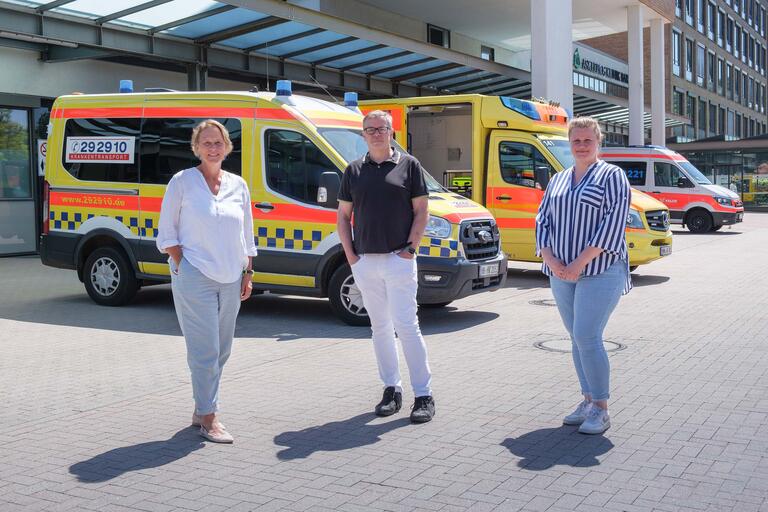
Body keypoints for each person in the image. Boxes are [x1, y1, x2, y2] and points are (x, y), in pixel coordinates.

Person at [157, 119, 258, 443]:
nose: (213, 148)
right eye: (207, 143)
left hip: (231, 277)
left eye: (218, 143)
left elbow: (246, 234)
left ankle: (201, 409)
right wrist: (182, 264)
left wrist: (248, 272)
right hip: (195, 274)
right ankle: (210, 419)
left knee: (221, 351)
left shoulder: (238, 185)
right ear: (197, 148)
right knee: (205, 350)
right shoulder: (182, 182)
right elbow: (167, 234)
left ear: (227, 147)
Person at [337, 110, 435, 424]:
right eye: (370, 129)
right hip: (366, 261)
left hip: (399, 259)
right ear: (363, 135)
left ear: (391, 132)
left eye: (382, 128)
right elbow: (342, 216)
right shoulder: (353, 171)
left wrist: (410, 249)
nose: (376, 133)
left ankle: (423, 394)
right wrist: (352, 256)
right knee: (379, 328)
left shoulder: (410, 166)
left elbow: (422, 210)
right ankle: (392, 389)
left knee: (407, 327)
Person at [535, 116, 631, 435]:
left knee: (588, 336)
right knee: (577, 338)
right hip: (560, 272)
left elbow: (612, 224)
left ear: (598, 142)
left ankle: (601, 408)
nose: (581, 146)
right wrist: (551, 259)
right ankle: (587, 399)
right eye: (576, 140)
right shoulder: (559, 180)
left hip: (599, 271)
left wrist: (578, 263)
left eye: (587, 140)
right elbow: (542, 221)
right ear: (569, 143)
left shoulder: (612, 176)